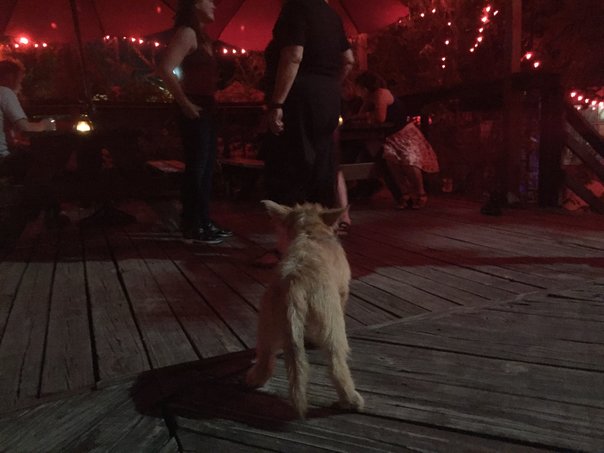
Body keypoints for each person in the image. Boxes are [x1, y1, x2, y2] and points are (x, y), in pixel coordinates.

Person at [262, 0, 355, 208]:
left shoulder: (296, 8)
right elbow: (349, 59)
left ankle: (297, 220)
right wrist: (331, 84)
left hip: (299, 98)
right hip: (329, 97)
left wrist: (277, 104)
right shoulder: (332, 15)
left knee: (294, 166)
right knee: (323, 163)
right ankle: (321, 217)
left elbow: (293, 55)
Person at [156, 0, 232, 244]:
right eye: (209, 1)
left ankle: (202, 219)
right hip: (195, 104)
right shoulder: (187, 32)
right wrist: (185, 103)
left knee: (206, 166)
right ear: (196, 3)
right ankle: (193, 223)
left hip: (206, 105)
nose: (214, 6)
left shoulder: (201, 36)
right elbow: (165, 68)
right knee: (198, 166)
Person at [353, 71, 439, 209]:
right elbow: (360, 115)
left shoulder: (381, 94)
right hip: (391, 136)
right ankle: (405, 194)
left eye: (357, 87)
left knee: (409, 163)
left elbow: (380, 118)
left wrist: (369, 116)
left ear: (363, 87)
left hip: (404, 134)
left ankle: (420, 193)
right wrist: (366, 108)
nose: (356, 91)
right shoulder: (371, 97)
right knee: (391, 162)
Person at [0, 58, 62, 233]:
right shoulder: (4, 92)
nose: (20, 84)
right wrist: (47, 124)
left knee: (37, 160)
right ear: (10, 76)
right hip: (2, 161)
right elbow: (25, 127)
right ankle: (31, 212)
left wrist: (17, 144)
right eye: (20, 79)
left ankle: (49, 212)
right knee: (48, 162)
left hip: (5, 156)